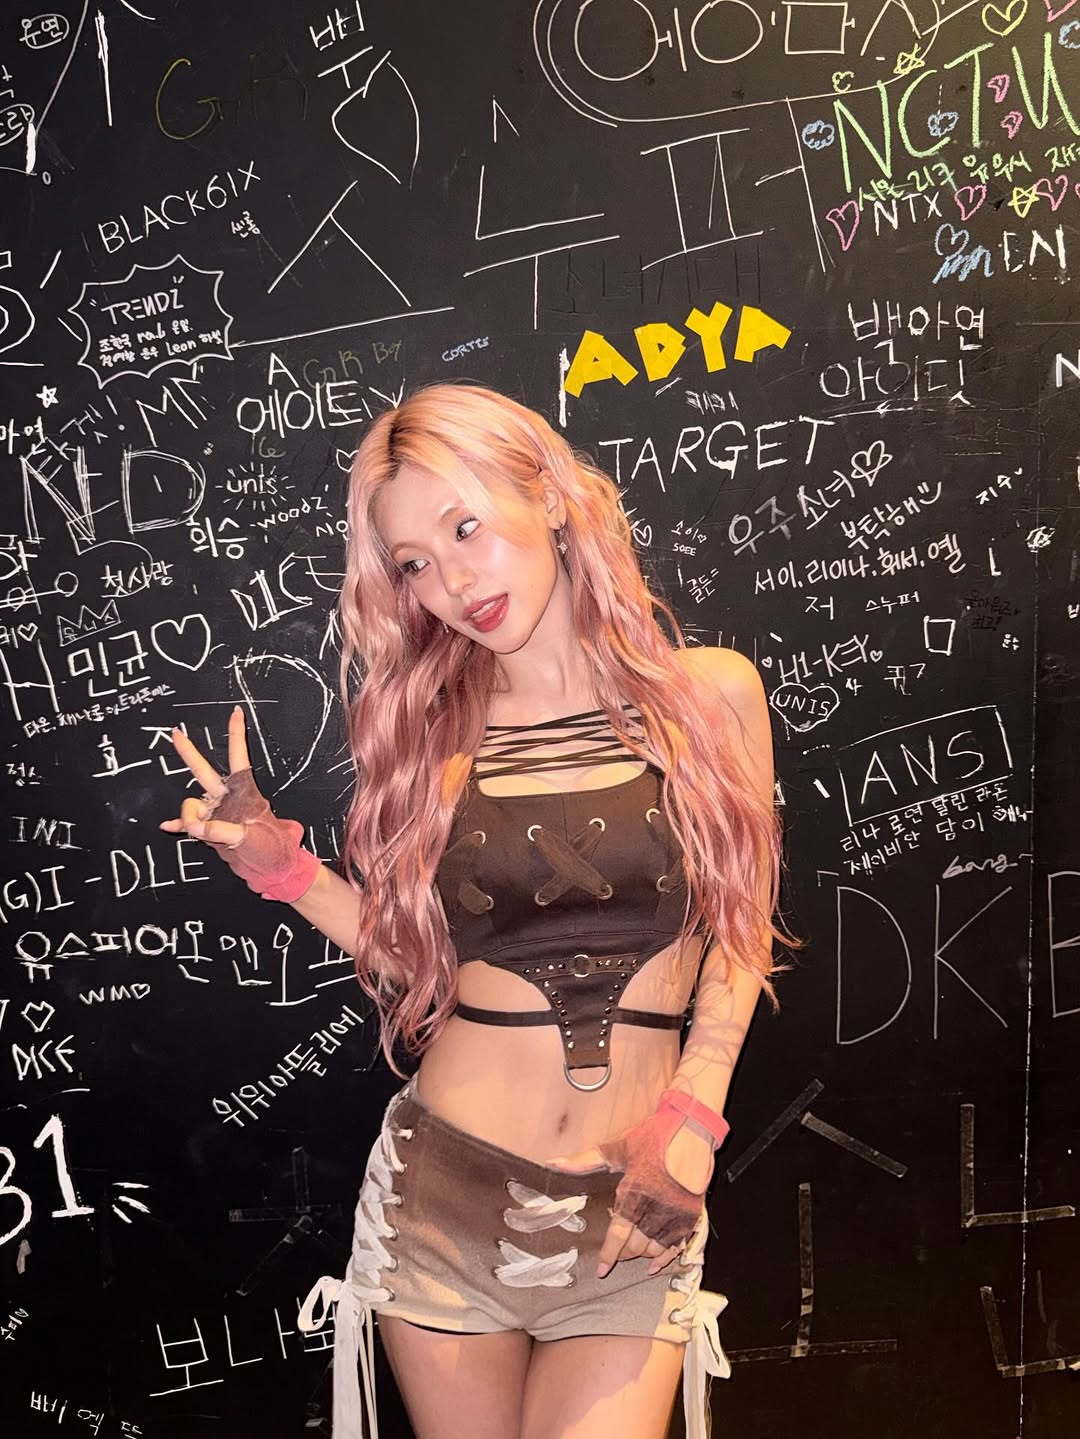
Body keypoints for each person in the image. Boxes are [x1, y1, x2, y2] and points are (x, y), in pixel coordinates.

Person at [159, 382, 788, 1439]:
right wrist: (284, 870)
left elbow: (740, 932)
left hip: (638, 1201)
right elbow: (414, 965)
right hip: (441, 1200)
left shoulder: (710, 697)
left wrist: (692, 1119)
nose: (451, 581)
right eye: (413, 561)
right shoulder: (432, 733)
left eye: (465, 527)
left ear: (548, 496)